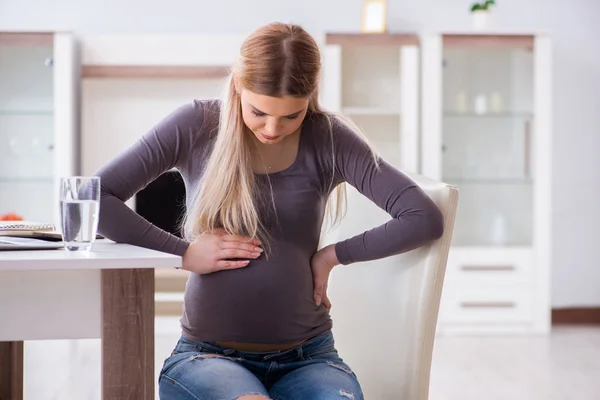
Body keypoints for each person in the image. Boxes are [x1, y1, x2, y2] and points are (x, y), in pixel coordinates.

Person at [95, 22, 444, 400]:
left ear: (310, 97)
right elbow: (95, 198)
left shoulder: (328, 137)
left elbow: (423, 217)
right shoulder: (196, 124)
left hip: (310, 357)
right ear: (237, 86)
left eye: (291, 116)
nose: (273, 128)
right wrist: (184, 253)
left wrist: (332, 256)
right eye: (259, 112)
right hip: (206, 357)